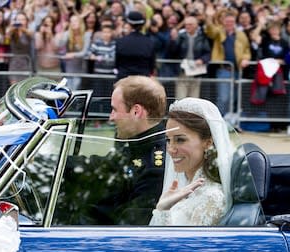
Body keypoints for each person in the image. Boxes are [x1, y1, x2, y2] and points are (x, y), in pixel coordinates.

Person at [59, 75, 167, 225]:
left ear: (136, 112)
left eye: (115, 109)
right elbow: (102, 167)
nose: (111, 117)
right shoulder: (135, 142)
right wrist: (56, 164)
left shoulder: (155, 167)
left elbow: (129, 228)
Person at [149, 97, 234, 226]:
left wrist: (163, 211)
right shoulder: (180, 184)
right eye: (168, 140)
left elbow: (186, 245)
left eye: (180, 140)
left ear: (207, 142)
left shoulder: (212, 198)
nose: (170, 149)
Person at [166, 14, 211, 99]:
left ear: (196, 25)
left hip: (196, 71)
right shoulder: (180, 36)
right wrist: (173, 40)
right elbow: (172, 52)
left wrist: (202, 60)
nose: (187, 26)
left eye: (190, 24)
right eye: (186, 24)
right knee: (181, 98)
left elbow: (208, 53)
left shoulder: (202, 37)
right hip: (182, 71)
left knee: (194, 98)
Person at [115, 10, 156, 80]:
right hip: (143, 80)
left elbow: (117, 64)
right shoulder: (149, 42)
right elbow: (151, 65)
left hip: (124, 80)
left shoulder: (121, 41)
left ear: (129, 24)